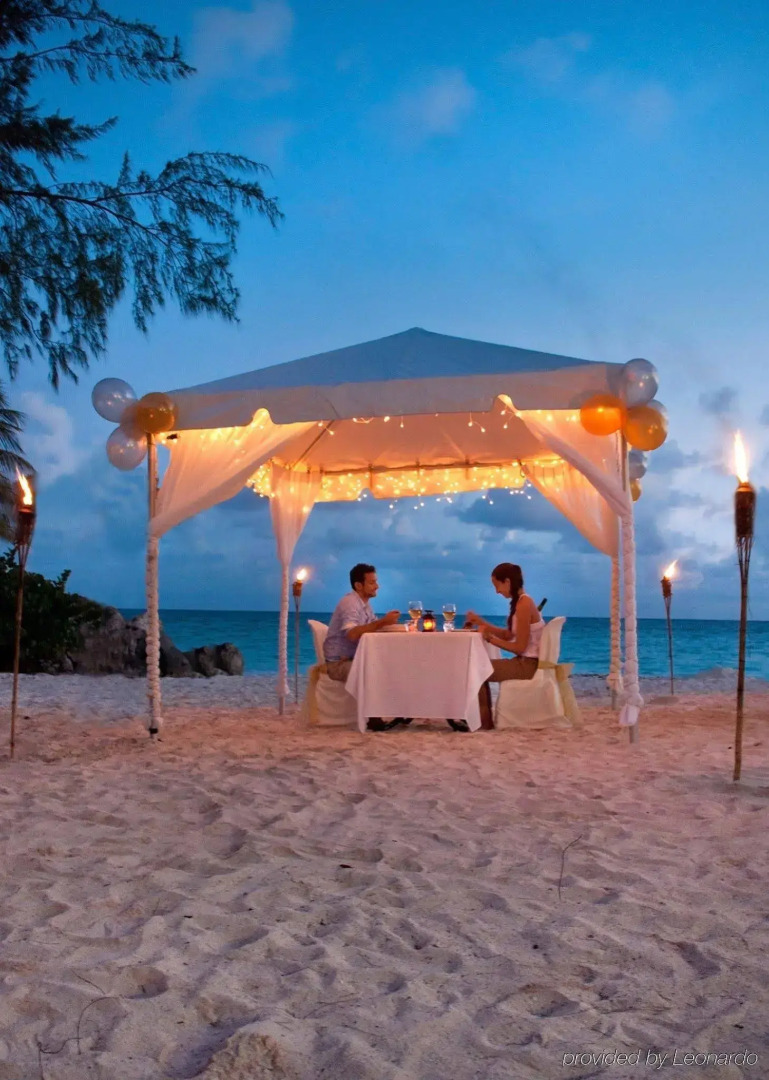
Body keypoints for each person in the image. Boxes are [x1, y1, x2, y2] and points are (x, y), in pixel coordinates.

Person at [324, 563, 408, 731]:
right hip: (339, 663)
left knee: (399, 663)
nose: (377, 586)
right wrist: (383, 622)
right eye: (372, 582)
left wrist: (391, 626)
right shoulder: (350, 603)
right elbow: (352, 634)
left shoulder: (364, 604)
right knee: (374, 669)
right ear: (358, 585)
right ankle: (374, 718)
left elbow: (373, 628)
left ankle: (402, 709)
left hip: (354, 658)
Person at [464, 562, 543, 730]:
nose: (497, 591)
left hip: (527, 665)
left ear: (507, 582)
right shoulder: (521, 602)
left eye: (497, 586)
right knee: (477, 667)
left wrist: (490, 639)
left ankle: (484, 722)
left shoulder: (524, 604)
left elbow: (520, 647)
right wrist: (480, 622)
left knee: (476, 669)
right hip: (525, 662)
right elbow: (508, 635)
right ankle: (483, 719)